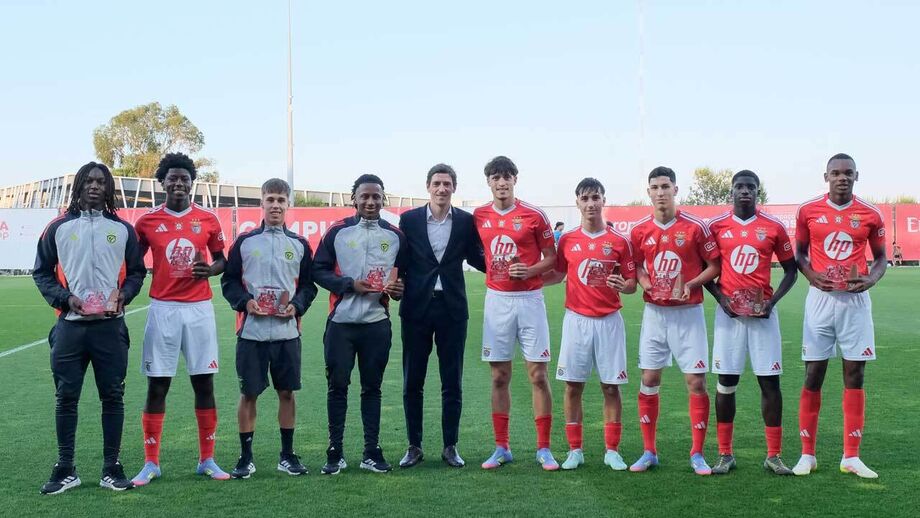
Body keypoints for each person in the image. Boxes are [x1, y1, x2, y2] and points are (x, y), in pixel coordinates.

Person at [33, 162, 146, 494]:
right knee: (66, 398)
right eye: (89, 181)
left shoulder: (124, 229)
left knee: (113, 397)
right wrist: (66, 299)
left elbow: (138, 272)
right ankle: (66, 468)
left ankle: (111, 468)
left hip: (110, 328)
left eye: (101, 182)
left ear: (109, 190)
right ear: (78, 186)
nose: (95, 186)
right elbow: (41, 272)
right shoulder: (58, 228)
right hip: (70, 327)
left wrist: (123, 295)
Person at [131, 153, 230, 485]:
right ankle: (151, 462)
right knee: (158, 383)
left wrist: (210, 270)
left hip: (199, 309)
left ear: (192, 182)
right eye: (172, 178)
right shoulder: (146, 222)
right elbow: (132, 263)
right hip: (162, 309)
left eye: (184, 178)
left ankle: (207, 459)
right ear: (162, 182)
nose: (178, 183)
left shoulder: (208, 219)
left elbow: (221, 261)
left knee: (203, 382)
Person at [791, 153, 887, 479]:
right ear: (826, 176)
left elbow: (882, 258)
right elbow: (800, 254)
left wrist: (871, 280)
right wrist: (810, 275)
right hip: (820, 300)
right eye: (836, 173)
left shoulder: (870, 214)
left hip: (855, 304)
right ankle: (807, 455)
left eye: (848, 173)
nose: (842, 178)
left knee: (854, 376)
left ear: (856, 176)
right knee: (813, 374)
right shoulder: (808, 211)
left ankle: (851, 456)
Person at [221, 178, 318, 479]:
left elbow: (309, 287)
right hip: (252, 332)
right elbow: (229, 282)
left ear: (289, 204)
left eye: (281, 200)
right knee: (249, 393)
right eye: (270, 199)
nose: (275, 205)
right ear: (261, 202)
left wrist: (297, 306)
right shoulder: (246, 242)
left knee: (286, 393)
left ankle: (287, 455)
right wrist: (244, 302)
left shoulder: (299, 245)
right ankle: (245, 457)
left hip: (288, 333)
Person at [704, 170, 798, 475]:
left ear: (758, 192)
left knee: (769, 383)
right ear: (731, 191)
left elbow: (791, 271)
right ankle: (725, 454)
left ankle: (774, 455)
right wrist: (721, 299)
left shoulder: (773, 227)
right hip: (729, 317)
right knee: (726, 384)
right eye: (739, 187)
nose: (745, 191)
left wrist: (772, 302)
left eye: (751, 187)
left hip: (763, 318)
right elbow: (706, 270)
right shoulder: (716, 226)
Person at [628, 166, 721, 475]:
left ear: (675, 189)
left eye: (665, 186)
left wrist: (691, 285)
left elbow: (714, 266)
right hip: (654, 315)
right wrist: (646, 283)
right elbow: (637, 268)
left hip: (688, 315)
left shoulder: (696, 227)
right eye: (654, 187)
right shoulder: (640, 230)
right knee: (649, 379)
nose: (660, 192)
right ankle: (649, 451)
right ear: (649, 192)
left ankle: (696, 453)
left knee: (695, 381)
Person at [312, 174, 407, 475]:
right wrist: (348, 284)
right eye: (364, 196)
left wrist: (400, 288)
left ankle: (371, 451)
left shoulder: (395, 236)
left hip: (377, 324)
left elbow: (404, 276)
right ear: (353, 198)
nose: (370, 201)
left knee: (372, 388)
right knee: (337, 387)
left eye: (376, 196)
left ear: (383, 199)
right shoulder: (338, 232)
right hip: (341, 323)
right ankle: (335, 450)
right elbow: (318, 270)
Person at [543, 178, 637, 471]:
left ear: (603, 200)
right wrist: (524, 282)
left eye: (595, 197)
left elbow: (633, 284)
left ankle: (612, 450)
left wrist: (624, 284)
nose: (590, 203)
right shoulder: (568, 240)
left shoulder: (620, 242)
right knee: (573, 386)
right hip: (576, 321)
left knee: (611, 387)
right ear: (578, 203)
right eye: (585, 198)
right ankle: (575, 450)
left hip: (609, 321)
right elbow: (557, 275)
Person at [473, 156, 559, 471]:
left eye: (507, 177)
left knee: (537, 374)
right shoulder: (479, 215)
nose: (501, 182)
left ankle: (544, 448)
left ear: (515, 180)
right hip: (497, 301)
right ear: (489, 182)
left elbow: (552, 259)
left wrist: (530, 269)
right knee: (499, 375)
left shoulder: (534, 215)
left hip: (530, 300)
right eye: (496, 177)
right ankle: (501, 447)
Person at [397, 164, 486, 469]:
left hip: (452, 309)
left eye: (447, 183)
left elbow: (477, 257)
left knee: (452, 381)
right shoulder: (408, 220)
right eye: (437, 183)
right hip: (416, 309)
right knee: (413, 381)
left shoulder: (465, 221)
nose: (442, 188)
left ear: (454, 188)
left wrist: (504, 266)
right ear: (427, 186)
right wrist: (395, 282)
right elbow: (401, 259)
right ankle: (414, 446)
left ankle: (450, 446)